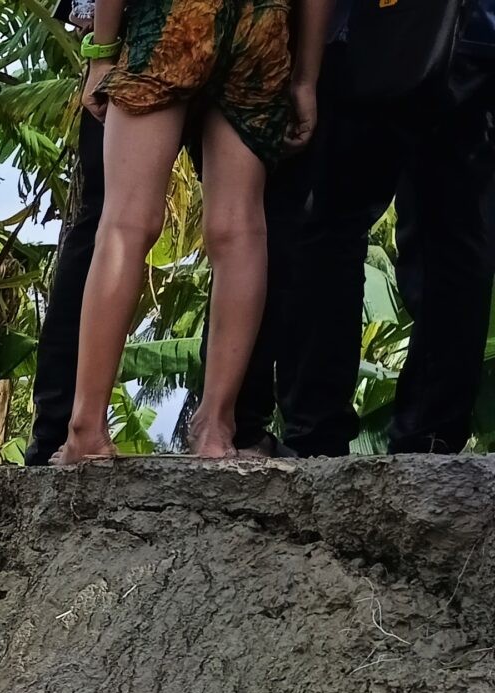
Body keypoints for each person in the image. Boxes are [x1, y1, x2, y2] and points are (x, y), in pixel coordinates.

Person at [56, 0, 332, 463]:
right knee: (240, 228)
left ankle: (87, 430)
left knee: (127, 222)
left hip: (174, 19)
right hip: (262, 24)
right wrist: (306, 78)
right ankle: (216, 429)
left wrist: (102, 52)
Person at [279, 0, 495, 455]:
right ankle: (430, 435)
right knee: (454, 234)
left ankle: (315, 430)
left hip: (380, 31)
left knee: (332, 222)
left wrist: (306, 67)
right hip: (477, 39)